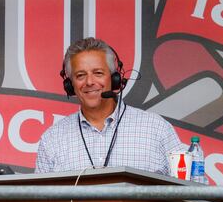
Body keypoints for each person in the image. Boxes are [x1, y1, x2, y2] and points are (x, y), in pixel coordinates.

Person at [35, 37, 185, 175]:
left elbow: (194, 190)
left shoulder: (156, 129)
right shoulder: (52, 139)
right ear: (70, 84)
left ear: (115, 78)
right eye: (80, 75)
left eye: (98, 73)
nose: (89, 82)